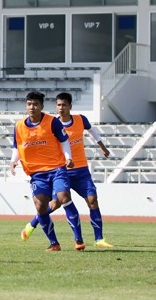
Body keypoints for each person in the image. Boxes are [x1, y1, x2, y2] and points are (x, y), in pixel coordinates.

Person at [21, 92, 114, 248]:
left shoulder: (80, 120)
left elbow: (92, 131)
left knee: (93, 200)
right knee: (54, 204)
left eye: (64, 105)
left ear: (70, 106)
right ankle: (32, 224)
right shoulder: (52, 124)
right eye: (58, 105)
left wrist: (102, 147)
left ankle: (99, 239)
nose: (61, 108)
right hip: (61, 171)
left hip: (81, 170)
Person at [10, 91, 84, 251]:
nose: (32, 107)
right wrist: (13, 161)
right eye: (29, 104)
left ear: (42, 106)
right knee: (40, 206)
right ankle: (54, 243)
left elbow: (64, 141)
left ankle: (78, 239)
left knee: (64, 197)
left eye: (35, 104)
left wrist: (68, 158)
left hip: (56, 168)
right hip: (36, 173)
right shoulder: (19, 126)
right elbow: (17, 146)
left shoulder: (52, 122)